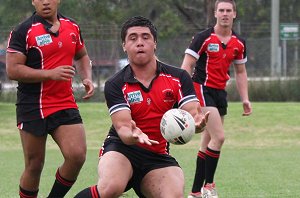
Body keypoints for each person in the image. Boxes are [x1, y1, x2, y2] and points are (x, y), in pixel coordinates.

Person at [74, 16, 209, 198]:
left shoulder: (179, 77)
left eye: (146, 37)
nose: (140, 43)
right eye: (133, 38)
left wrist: (197, 123)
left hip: (157, 154)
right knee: (111, 187)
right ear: (124, 45)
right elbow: (122, 127)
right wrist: (133, 135)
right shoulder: (115, 83)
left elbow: (192, 113)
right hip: (122, 149)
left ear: (155, 43)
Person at [6, 0, 94, 197]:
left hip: (64, 102)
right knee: (34, 165)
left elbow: (81, 56)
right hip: (32, 105)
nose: (45, 1)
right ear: (33, 1)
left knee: (77, 155)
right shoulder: (23, 31)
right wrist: (49, 74)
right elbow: (13, 69)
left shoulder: (72, 26)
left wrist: (87, 77)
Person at [181, 1, 252, 198]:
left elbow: (240, 71)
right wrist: (182, 95)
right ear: (215, 13)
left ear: (234, 14)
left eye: (229, 10)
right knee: (219, 137)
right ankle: (209, 186)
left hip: (220, 94)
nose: (225, 14)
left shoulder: (239, 42)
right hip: (201, 90)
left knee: (208, 142)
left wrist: (245, 99)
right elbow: (186, 67)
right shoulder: (203, 37)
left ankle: (195, 192)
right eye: (221, 10)